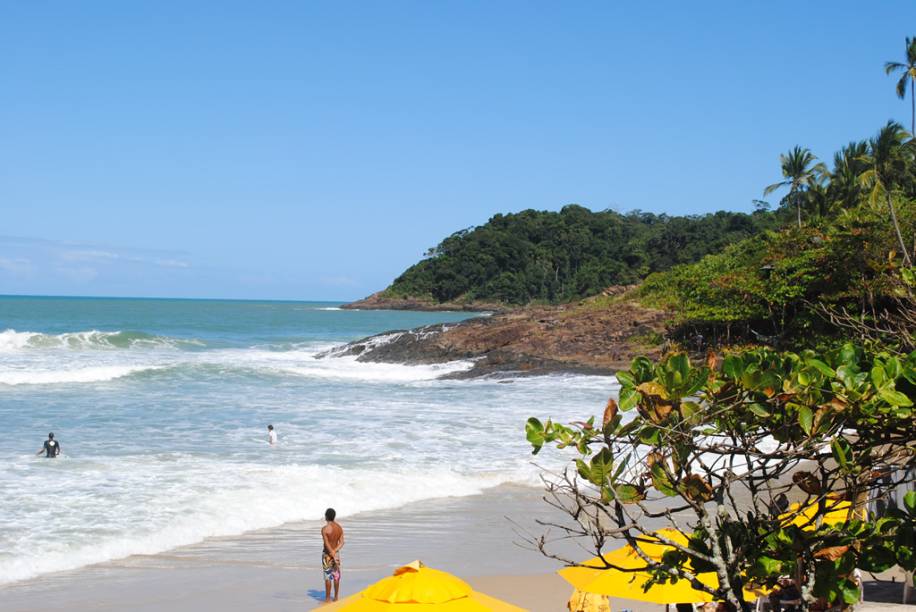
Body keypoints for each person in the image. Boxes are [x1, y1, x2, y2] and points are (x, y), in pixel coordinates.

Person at [321, 507, 344, 602]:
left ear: (326, 517)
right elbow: (342, 542)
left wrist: (331, 553)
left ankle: (327, 599)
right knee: (336, 576)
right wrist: (335, 552)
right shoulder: (339, 528)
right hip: (336, 555)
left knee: (328, 577)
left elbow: (326, 543)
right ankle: (336, 597)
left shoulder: (324, 529)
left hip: (327, 555)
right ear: (334, 517)